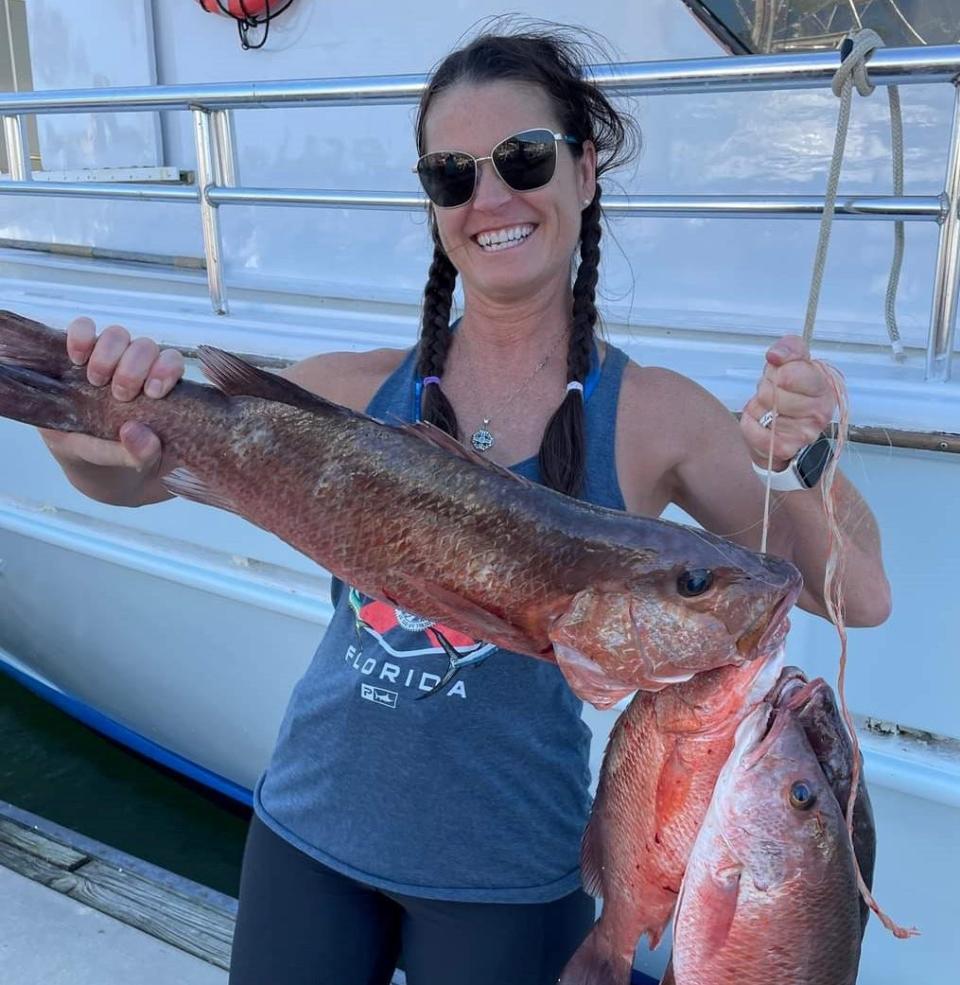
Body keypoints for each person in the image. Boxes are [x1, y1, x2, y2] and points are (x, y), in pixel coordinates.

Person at [38, 23, 890, 985]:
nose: (489, 198)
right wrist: (76, 424)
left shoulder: (656, 415)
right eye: (452, 175)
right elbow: (127, 476)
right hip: (308, 833)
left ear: (587, 170)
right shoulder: (350, 387)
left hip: (509, 876)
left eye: (523, 158)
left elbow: (855, 594)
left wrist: (815, 456)